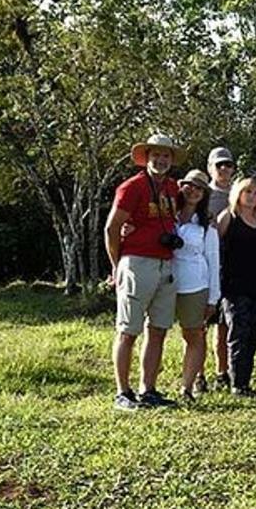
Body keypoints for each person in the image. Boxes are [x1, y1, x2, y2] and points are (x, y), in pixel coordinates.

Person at [104, 133, 186, 410]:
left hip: (166, 263)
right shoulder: (132, 187)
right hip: (137, 262)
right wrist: (117, 265)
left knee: (159, 329)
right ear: (147, 157)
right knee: (128, 330)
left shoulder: (173, 189)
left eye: (166, 155)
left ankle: (148, 389)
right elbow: (112, 227)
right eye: (156, 155)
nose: (161, 160)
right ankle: (122, 392)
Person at [217, 172, 256, 398]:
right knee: (237, 334)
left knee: (253, 334)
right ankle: (237, 384)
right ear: (238, 193)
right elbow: (214, 249)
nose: (251, 196)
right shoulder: (228, 218)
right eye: (247, 191)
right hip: (233, 287)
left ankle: (245, 381)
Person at [170, 169, 221, 401]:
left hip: (194, 284)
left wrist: (213, 298)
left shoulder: (206, 226)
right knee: (156, 332)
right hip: (165, 282)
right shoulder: (167, 214)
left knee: (194, 335)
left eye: (199, 188)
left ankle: (187, 387)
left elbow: (213, 261)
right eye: (189, 186)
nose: (193, 191)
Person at [203, 146, 236, 393]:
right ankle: (197, 374)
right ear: (210, 168)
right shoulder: (202, 195)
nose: (224, 169)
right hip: (204, 265)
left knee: (225, 323)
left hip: (232, 266)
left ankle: (222, 372)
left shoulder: (240, 192)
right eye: (219, 165)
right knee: (200, 322)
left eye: (229, 165)